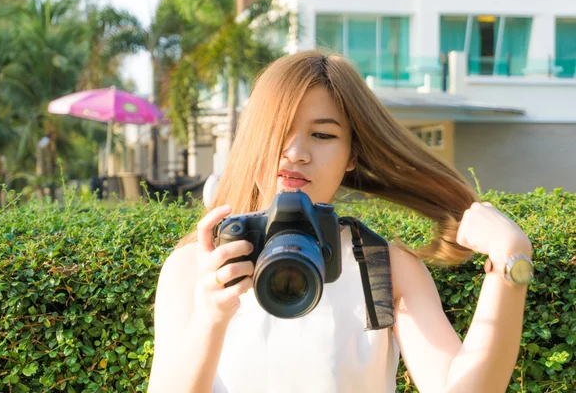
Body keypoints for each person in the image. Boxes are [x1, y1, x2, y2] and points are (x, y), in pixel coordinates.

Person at [148, 51, 533, 393]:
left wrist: (509, 262)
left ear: (352, 154)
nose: (296, 153)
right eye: (279, 132)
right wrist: (211, 316)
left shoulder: (384, 266)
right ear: (253, 138)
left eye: (322, 134)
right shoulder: (192, 268)